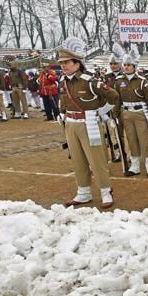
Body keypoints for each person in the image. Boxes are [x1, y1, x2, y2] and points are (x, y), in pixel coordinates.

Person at [56, 37, 118, 208]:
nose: (63, 65)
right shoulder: (63, 81)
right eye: (61, 62)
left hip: (88, 123)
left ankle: (106, 191)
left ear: (77, 63)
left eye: (67, 62)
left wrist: (100, 111)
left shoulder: (89, 80)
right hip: (70, 123)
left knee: (96, 159)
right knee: (78, 159)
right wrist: (61, 114)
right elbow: (63, 100)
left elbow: (113, 96)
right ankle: (83, 192)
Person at [113, 44, 148, 178]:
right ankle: (135, 166)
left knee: (144, 140)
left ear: (134, 67)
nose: (125, 67)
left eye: (128, 65)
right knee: (131, 140)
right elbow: (117, 100)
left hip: (140, 113)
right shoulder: (119, 81)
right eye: (124, 65)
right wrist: (115, 116)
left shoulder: (142, 81)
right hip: (126, 113)